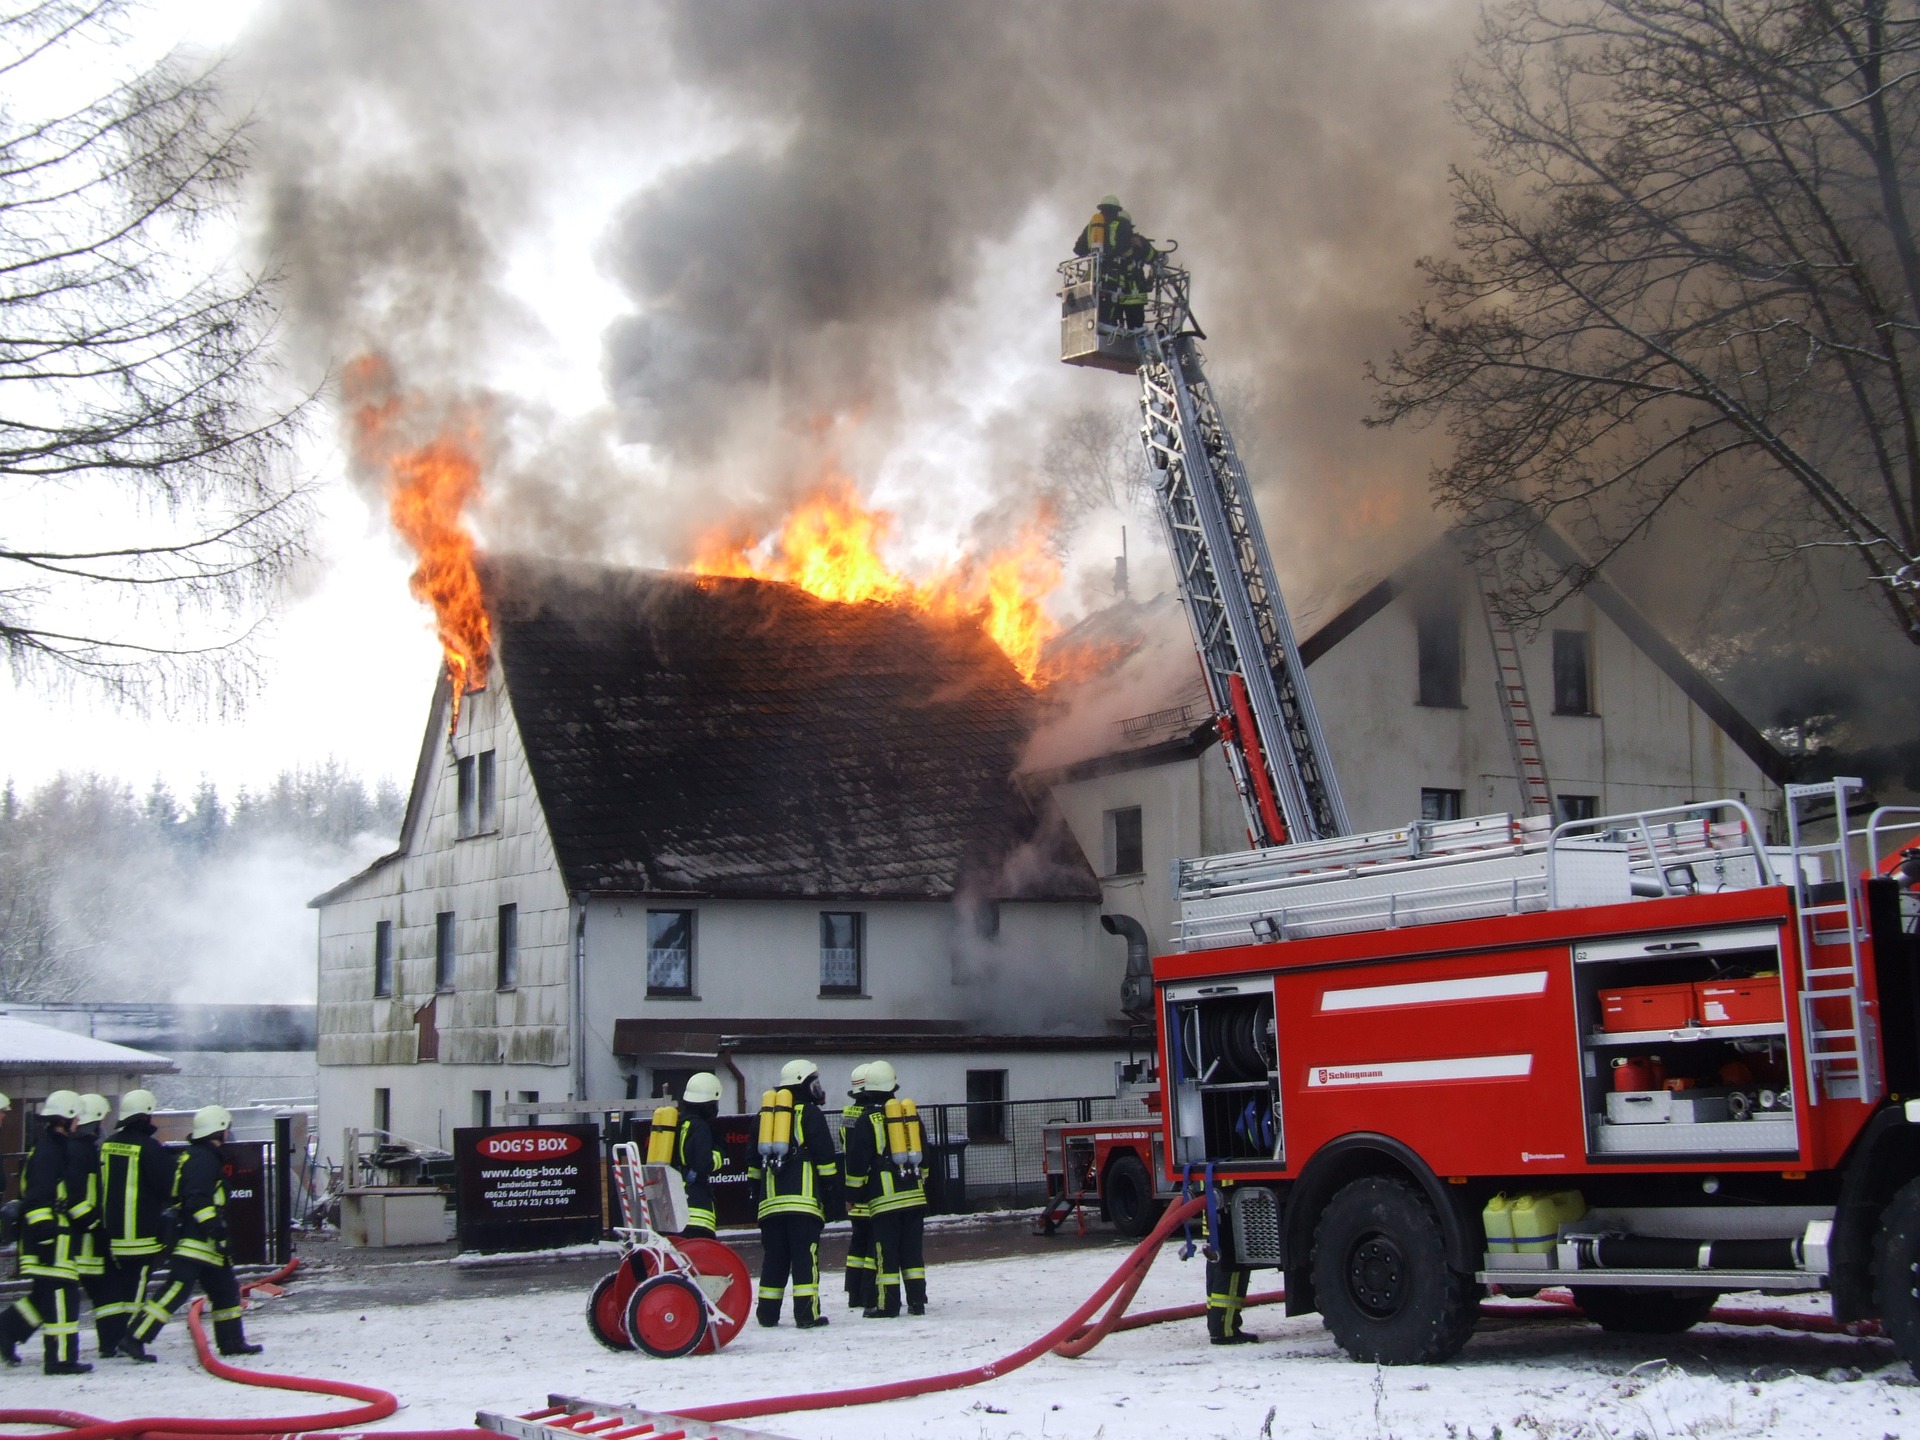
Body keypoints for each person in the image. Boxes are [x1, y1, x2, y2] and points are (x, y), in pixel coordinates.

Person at [125, 1105, 264, 1358]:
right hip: (196, 1242)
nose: (228, 1134)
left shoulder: (200, 1155)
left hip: (205, 1245)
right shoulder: (203, 1159)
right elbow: (198, 1199)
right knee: (177, 1289)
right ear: (218, 1131)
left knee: (226, 1292)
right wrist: (216, 1229)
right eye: (226, 1129)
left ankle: (232, 1342)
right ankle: (135, 1336)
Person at [0, 1091, 90, 1373]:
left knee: (42, 1298)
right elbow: (38, 1198)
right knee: (64, 1297)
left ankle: (5, 1332)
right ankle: (61, 1359)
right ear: (65, 1119)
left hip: (51, 1236)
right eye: (75, 1117)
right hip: (51, 1239)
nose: (78, 1122)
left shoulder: (52, 1147)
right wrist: (46, 1236)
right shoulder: (52, 1150)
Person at [751, 1058, 840, 1329]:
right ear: (804, 1085)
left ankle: (767, 1314)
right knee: (805, 1258)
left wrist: (757, 1195)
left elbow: (752, 1163)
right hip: (803, 1204)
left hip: (770, 1206)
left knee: (774, 1259)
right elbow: (825, 1157)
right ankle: (806, 1315)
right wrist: (830, 1190)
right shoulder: (810, 1114)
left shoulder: (765, 1117)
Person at [844, 1060, 927, 1318]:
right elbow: (926, 1155)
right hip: (914, 1196)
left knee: (886, 1254)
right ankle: (917, 1302)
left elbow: (858, 1163)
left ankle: (887, 1305)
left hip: (885, 1200)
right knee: (912, 1253)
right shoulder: (908, 1115)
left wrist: (853, 1195)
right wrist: (922, 1182)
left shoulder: (867, 1120)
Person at [98, 1089, 172, 1362]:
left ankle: (114, 1340)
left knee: (118, 1288)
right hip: (140, 1233)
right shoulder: (150, 1148)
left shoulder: (108, 1144)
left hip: (110, 1233)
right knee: (137, 1287)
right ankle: (132, 1339)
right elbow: (167, 1186)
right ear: (145, 1115)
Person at [67, 1095, 111, 1357]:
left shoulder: (82, 1148)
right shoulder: (80, 1151)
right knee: (104, 1293)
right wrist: (95, 1225)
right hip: (80, 1240)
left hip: (83, 1240)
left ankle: (111, 1341)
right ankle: (112, 1341)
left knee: (104, 1292)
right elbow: (74, 1198)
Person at [840, 1063, 875, 1311]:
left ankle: (853, 1292)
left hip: (852, 1188)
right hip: (873, 1189)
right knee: (873, 1243)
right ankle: (868, 1291)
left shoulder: (847, 1115)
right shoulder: (873, 1116)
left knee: (857, 1243)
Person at [1204, 1185, 1257, 1345]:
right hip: (1229, 1206)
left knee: (1218, 1262)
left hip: (1218, 1207)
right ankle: (1224, 1328)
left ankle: (1217, 1325)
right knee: (1231, 1265)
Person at [673, 1072, 724, 1239]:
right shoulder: (700, 1127)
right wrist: (718, 1153)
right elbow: (703, 1164)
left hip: (676, 1208)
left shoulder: (678, 1124)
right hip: (696, 1212)